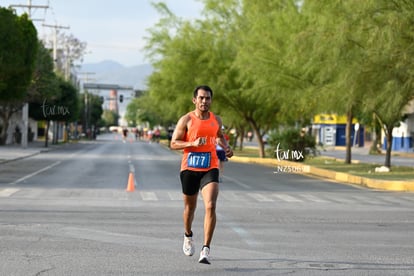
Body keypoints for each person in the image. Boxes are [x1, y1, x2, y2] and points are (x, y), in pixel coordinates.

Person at [170, 85, 233, 264]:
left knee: (211, 205)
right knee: (190, 208)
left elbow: (218, 135)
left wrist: (226, 148)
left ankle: (206, 249)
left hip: (210, 167)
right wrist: (193, 143)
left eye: (208, 98)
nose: (205, 101)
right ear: (194, 100)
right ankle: (188, 235)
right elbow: (173, 144)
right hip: (189, 168)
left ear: (211, 100)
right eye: (201, 98)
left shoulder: (216, 119)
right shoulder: (186, 120)